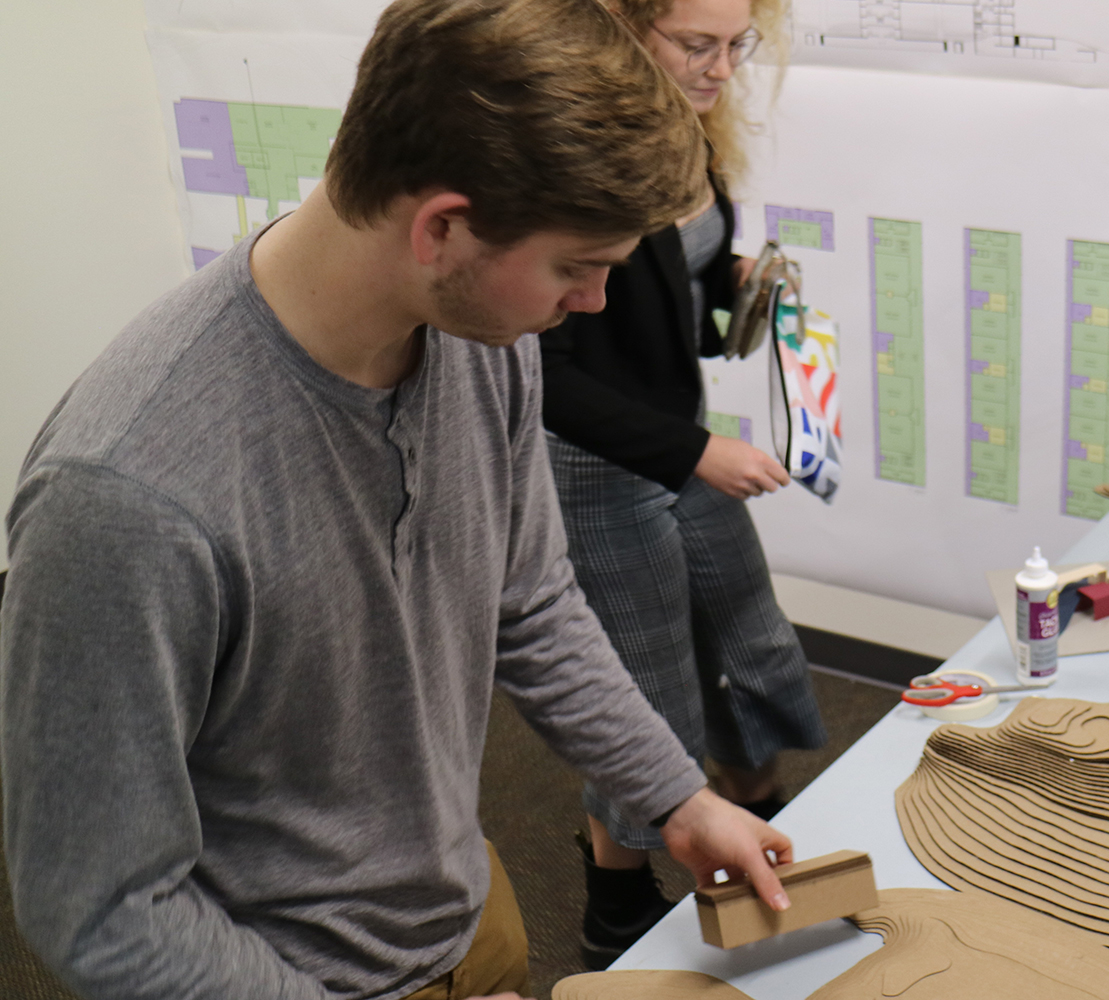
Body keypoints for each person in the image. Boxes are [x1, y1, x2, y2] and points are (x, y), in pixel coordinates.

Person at [0, 0, 794, 997]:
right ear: (442, 229)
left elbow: (530, 602)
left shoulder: (477, 341)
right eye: (575, 268)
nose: (589, 303)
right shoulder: (129, 497)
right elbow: (106, 916)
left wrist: (677, 796)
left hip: (462, 916)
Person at [536, 0, 828, 969]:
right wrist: (694, 453)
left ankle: (757, 817)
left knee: (751, 641)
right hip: (598, 461)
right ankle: (616, 897)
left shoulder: (688, 140)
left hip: (670, 436)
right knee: (645, 691)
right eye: (695, 46)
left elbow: (675, 300)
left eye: (735, 46)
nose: (720, 70)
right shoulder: (565, 160)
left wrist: (732, 284)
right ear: (623, 31)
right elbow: (549, 375)